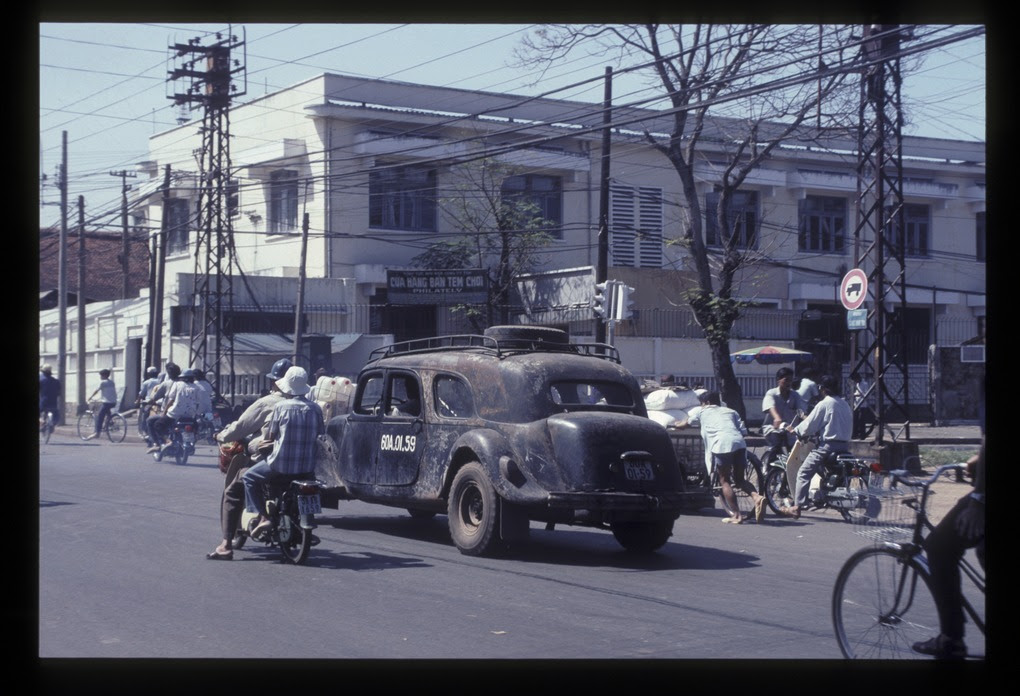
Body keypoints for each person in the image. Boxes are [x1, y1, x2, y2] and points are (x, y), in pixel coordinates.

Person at [206, 358, 293, 560]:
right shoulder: (309, 405)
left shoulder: (269, 403)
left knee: (233, 490)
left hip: (272, 461)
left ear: (275, 382)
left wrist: (221, 436)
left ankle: (226, 544)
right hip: (304, 465)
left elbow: (241, 427)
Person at [240, 366, 324, 540]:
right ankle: (308, 523)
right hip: (307, 468)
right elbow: (321, 435)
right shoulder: (316, 409)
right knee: (310, 488)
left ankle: (263, 517)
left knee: (248, 478)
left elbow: (270, 437)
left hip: (279, 466)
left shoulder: (281, 407)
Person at [779, 374, 853, 519]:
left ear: (823, 389)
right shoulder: (845, 404)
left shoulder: (824, 404)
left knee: (803, 472)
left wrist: (796, 431)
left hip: (828, 447)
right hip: (844, 446)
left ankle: (797, 507)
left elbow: (810, 424)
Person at [687, 391, 767, 524]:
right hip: (739, 443)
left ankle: (737, 515)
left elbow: (687, 423)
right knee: (740, 480)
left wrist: (677, 425)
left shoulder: (702, 412)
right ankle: (756, 497)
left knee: (725, 481)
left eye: (702, 404)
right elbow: (743, 431)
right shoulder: (731, 411)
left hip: (722, 445)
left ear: (707, 403)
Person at [146, 367, 201, 453]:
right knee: (196, 428)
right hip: (189, 415)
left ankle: (165, 441)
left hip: (174, 414)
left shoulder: (177, 384)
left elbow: (171, 400)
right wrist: (194, 414)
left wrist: (164, 412)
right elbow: (197, 403)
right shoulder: (197, 387)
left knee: (157, 424)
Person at [761, 367, 807, 458]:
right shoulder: (772, 393)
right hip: (773, 429)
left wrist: (807, 419)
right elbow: (770, 406)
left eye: (790, 380)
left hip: (790, 430)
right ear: (778, 380)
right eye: (786, 380)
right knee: (776, 446)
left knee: (796, 454)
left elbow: (801, 411)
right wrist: (777, 417)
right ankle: (767, 464)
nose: (788, 383)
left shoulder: (795, 395)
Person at [85, 369, 118, 440]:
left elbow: (96, 391)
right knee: (107, 413)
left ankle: (97, 433)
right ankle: (109, 423)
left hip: (106, 403)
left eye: (101, 375)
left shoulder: (102, 383)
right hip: (113, 402)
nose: (100, 377)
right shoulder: (112, 382)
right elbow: (109, 392)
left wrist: (90, 397)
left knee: (99, 416)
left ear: (104, 375)